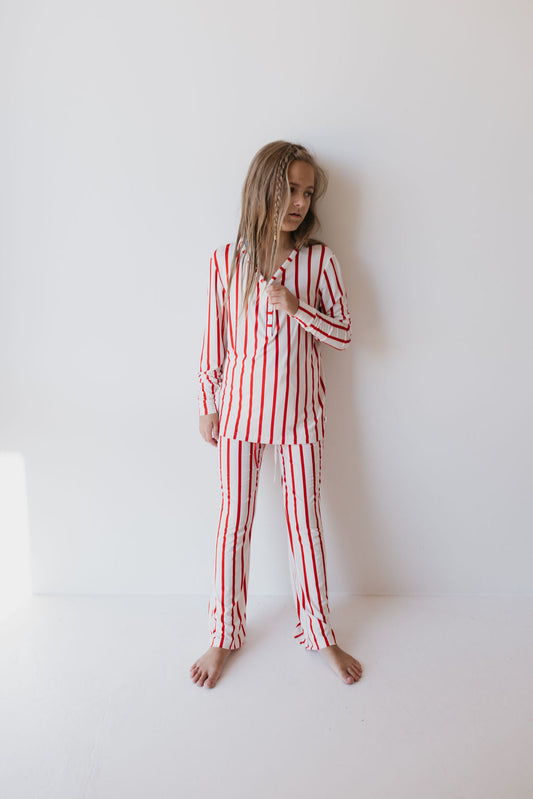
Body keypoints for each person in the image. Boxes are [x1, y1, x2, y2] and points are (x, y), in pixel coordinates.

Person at [190, 140, 363, 689]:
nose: (298, 201)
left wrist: (298, 308)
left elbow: (344, 333)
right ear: (262, 187)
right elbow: (213, 344)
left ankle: (319, 632)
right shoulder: (226, 262)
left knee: (304, 526)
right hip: (240, 414)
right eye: (290, 188)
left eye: (306, 192)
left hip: (299, 416)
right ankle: (224, 634)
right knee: (231, 526)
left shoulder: (319, 261)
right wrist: (207, 402)